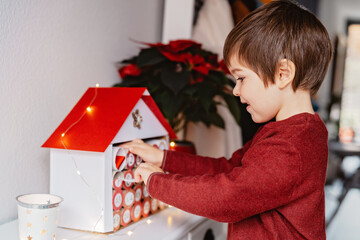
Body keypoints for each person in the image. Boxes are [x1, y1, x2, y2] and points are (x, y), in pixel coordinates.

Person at [121, 0, 333, 239]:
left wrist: (156, 182)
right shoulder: (287, 133)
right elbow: (228, 169)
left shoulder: (290, 146)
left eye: (241, 78)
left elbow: (228, 197)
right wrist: (164, 159)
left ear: (283, 74)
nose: (235, 90)